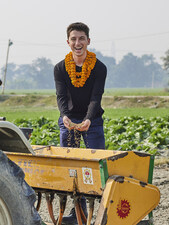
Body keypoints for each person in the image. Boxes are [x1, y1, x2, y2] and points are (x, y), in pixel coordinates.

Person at [54, 22, 107, 224]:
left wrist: (88, 119)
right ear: (68, 42)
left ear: (88, 41)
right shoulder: (60, 68)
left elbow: (96, 97)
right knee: (72, 169)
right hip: (68, 120)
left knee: (97, 167)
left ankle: (101, 213)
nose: (78, 43)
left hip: (92, 121)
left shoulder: (99, 67)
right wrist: (65, 117)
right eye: (74, 39)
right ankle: (78, 214)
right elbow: (61, 96)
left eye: (81, 38)